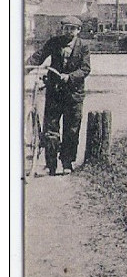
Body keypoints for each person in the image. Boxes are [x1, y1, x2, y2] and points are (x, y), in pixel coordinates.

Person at [25, 15, 91, 176]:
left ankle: (67, 162)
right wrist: (25, 68)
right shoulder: (54, 42)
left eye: (72, 29)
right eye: (66, 28)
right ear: (62, 29)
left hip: (74, 94)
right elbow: (39, 56)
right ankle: (51, 164)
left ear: (78, 31)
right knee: (51, 128)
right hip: (55, 92)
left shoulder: (83, 46)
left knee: (72, 129)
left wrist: (70, 76)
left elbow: (85, 69)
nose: (69, 31)